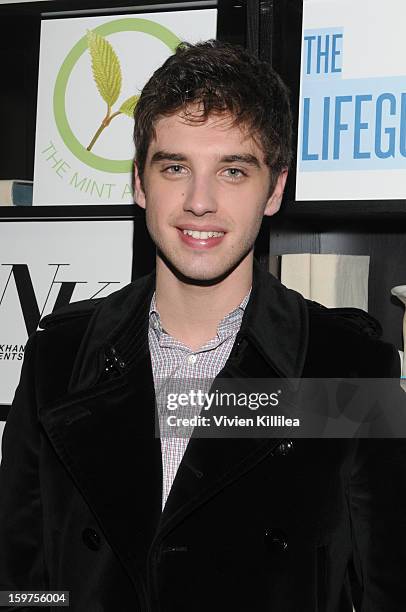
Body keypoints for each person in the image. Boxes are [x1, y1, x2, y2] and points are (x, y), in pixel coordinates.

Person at [0, 39, 405, 612]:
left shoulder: (352, 370)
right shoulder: (59, 359)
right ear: (140, 183)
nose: (200, 201)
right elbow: (20, 586)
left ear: (275, 189)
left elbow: (387, 588)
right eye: (175, 167)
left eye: (233, 171)